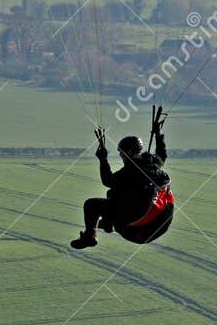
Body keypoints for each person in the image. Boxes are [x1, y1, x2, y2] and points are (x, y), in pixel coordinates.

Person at [70, 106, 169, 249]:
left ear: (128, 152)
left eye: (121, 153)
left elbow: (108, 181)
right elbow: (162, 154)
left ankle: (89, 236)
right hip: (157, 224)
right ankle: (107, 222)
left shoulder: (130, 171)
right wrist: (158, 134)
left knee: (92, 205)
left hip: (136, 222)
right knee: (113, 195)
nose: (121, 156)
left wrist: (103, 159)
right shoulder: (153, 163)